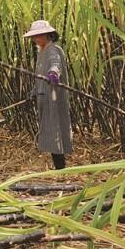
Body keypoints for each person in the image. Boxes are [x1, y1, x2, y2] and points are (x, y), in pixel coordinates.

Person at [24, 20, 72, 169]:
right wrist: (34, 91)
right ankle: (59, 165)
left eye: (38, 36)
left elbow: (55, 64)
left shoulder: (53, 50)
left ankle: (60, 167)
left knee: (55, 128)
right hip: (45, 97)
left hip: (54, 98)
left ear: (47, 35)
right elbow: (40, 77)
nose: (35, 40)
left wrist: (54, 73)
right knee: (51, 129)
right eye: (34, 36)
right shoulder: (42, 52)